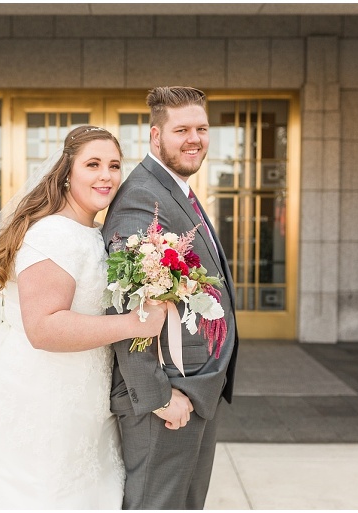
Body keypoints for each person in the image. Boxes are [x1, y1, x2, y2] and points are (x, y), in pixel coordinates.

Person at [0, 125, 167, 509]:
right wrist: (133, 324)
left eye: (114, 165)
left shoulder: (94, 232)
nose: (106, 175)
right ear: (67, 172)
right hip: (43, 397)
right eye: (93, 164)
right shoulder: (51, 235)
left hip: (85, 396)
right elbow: (44, 327)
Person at [101, 86, 239, 510]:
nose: (194, 138)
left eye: (201, 128)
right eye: (182, 129)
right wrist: (158, 394)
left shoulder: (176, 188)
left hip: (197, 386)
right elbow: (126, 303)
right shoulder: (142, 197)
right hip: (169, 394)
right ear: (155, 136)